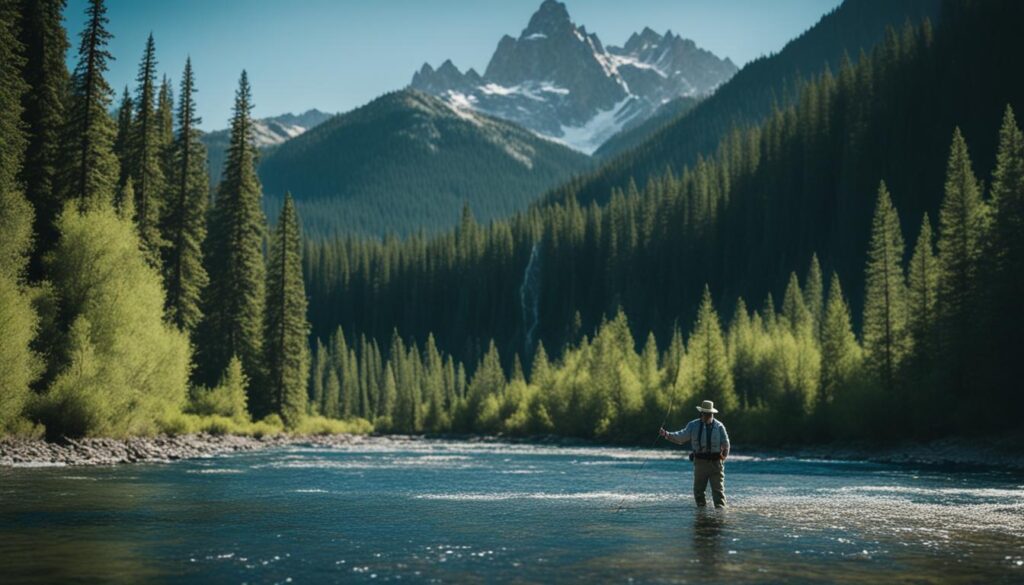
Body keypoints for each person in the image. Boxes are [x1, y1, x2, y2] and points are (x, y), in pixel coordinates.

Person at [659, 400, 730, 508]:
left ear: (712, 414)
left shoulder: (720, 427)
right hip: (700, 463)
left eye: (709, 414)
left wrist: (723, 458)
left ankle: (719, 519)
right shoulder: (693, 425)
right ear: (701, 413)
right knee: (698, 492)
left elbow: (726, 444)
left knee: (718, 493)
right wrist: (666, 434)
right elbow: (681, 437)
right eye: (705, 413)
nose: (707, 416)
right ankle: (702, 518)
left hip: (716, 464)